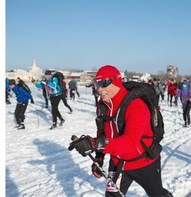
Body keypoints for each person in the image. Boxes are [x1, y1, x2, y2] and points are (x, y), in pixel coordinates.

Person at [68, 65, 172, 197]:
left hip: (144, 162)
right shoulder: (102, 105)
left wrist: (94, 143)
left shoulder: (136, 105)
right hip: (118, 164)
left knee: (157, 194)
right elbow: (102, 132)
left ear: (116, 81)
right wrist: (99, 157)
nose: (99, 89)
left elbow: (129, 143)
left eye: (104, 83)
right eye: (96, 83)